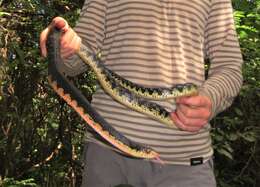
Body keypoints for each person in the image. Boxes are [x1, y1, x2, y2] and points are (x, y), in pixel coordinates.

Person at [40, 1, 243, 186]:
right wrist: (61, 44)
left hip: (187, 165)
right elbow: (78, 57)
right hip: (108, 158)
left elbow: (230, 67)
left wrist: (210, 98)